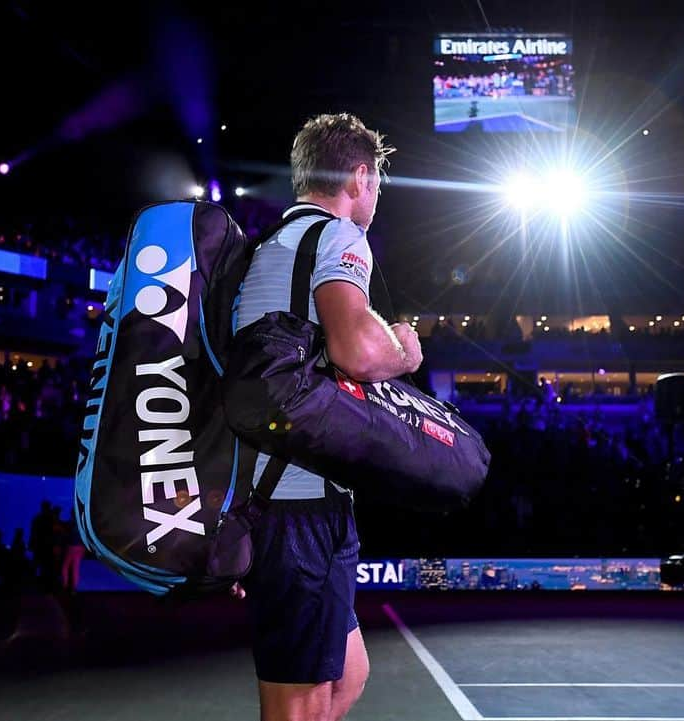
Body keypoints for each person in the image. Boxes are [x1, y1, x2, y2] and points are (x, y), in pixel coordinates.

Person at [232, 112, 421, 721]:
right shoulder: (339, 238)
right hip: (297, 506)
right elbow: (357, 351)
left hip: (292, 498)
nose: (377, 197)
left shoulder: (273, 245)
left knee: (348, 676)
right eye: (378, 184)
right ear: (360, 176)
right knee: (300, 705)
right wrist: (405, 349)